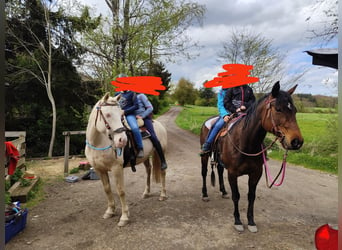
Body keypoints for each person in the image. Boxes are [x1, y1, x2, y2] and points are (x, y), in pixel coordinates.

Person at [135, 93, 167, 170]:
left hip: (144, 118)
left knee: (153, 136)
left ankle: (163, 160)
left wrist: (142, 116)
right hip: (132, 118)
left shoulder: (141, 96)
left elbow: (150, 108)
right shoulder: (127, 97)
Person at [200, 87, 231, 155]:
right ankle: (207, 144)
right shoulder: (221, 92)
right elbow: (220, 105)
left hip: (237, 112)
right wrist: (225, 115)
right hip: (226, 113)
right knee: (218, 125)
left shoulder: (236, 89)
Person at [115, 89, 144, 158]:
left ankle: (140, 148)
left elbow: (136, 106)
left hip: (129, 115)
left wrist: (125, 111)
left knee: (135, 128)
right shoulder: (116, 94)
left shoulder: (132, 93)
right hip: (118, 115)